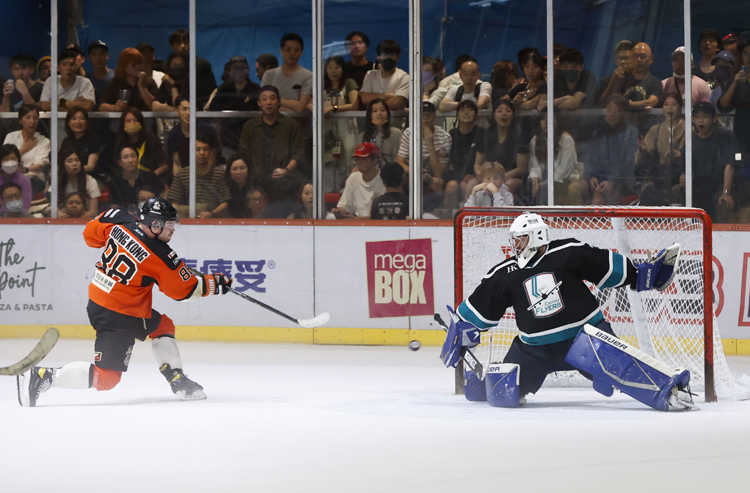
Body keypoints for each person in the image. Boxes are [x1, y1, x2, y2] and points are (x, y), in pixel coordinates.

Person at [442, 212, 693, 411]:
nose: (516, 244)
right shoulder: (505, 273)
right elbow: (477, 312)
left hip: (586, 339)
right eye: (514, 239)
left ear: (537, 237)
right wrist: (459, 329)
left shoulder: (567, 252)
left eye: (521, 239)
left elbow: (606, 267)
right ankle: (488, 379)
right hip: (534, 350)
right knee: (500, 393)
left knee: (624, 369)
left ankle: (670, 390)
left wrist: (642, 276)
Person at [16, 197, 233, 407]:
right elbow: (184, 291)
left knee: (162, 326)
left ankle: (177, 378)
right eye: (169, 225)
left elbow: (90, 236)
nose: (173, 229)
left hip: (105, 301)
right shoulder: (161, 255)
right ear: (155, 225)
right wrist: (214, 284)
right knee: (106, 378)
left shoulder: (120, 218)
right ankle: (42, 376)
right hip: (117, 314)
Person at [674, 102, 737, 221]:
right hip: (697, 187)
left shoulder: (724, 136)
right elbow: (684, 167)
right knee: (674, 192)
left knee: (724, 203)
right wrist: (683, 177)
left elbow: (729, 166)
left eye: (705, 116)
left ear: (714, 118)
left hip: (718, 187)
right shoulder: (692, 140)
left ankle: (719, 233)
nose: (700, 120)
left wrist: (726, 192)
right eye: (697, 117)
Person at [239, 86, 305, 187]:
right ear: (259, 103)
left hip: (285, 179)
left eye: (273, 98)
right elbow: (243, 152)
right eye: (264, 99)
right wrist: (252, 171)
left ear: (279, 101)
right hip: (256, 179)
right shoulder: (250, 125)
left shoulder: (291, 124)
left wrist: (286, 170)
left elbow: (299, 152)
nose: (269, 102)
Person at [396, 101, 452, 213]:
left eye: (429, 115)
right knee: (401, 177)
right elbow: (400, 162)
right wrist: (416, 173)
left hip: (433, 176)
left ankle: (435, 213)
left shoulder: (445, 137)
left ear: (435, 117)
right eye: (422, 115)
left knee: (437, 182)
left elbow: (438, 173)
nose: (425, 118)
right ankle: (404, 211)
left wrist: (430, 144)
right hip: (413, 174)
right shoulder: (409, 133)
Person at [586, 95, 639, 205]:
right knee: (575, 188)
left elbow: (628, 163)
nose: (612, 113)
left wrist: (612, 181)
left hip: (622, 182)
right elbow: (590, 157)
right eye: (609, 109)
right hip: (598, 178)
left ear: (625, 114)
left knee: (599, 194)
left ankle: (594, 217)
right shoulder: (598, 132)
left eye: (617, 110)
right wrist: (591, 176)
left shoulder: (631, 133)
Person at [635, 92, 685, 206]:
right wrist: (643, 150)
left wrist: (676, 154)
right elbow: (642, 159)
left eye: (674, 105)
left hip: (678, 178)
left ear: (681, 109)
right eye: (666, 104)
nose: (669, 108)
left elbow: (690, 156)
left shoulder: (687, 129)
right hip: (658, 178)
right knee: (649, 191)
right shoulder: (655, 130)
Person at [318, 55, 360, 192]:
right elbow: (311, 103)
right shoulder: (322, 85)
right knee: (327, 161)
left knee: (348, 158)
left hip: (346, 129)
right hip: (327, 131)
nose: (333, 71)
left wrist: (333, 108)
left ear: (343, 68)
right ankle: (329, 192)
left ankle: (349, 190)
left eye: (337, 67)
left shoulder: (349, 83)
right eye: (330, 67)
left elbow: (354, 105)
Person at [528, 107, 587, 205]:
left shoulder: (566, 139)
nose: (546, 122)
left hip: (563, 180)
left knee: (545, 190)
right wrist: (535, 180)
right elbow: (534, 164)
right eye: (543, 119)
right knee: (529, 187)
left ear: (557, 120)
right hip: (542, 179)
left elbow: (565, 169)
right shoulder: (535, 140)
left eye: (550, 118)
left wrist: (546, 183)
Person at [168, 133, 231, 218]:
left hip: (214, 219)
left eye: (205, 149)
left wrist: (211, 213)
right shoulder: (182, 175)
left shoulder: (219, 174)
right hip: (187, 220)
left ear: (210, 152)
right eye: (197, 149)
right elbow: (174, 202)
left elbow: (226, 202)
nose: (201, 153)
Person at [475, 99, 529, 195]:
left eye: (508, 111)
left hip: (511, 177)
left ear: (513, 115)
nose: (504, 113)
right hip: (489, 176)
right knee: (471, 184)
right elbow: (477, 163)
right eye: (499, 111)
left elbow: (521, 169)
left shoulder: (520, 135)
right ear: (494, 116)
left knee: (508, 184)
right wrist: (481, 175)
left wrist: (499, 178)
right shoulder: (485, 135)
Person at [208, 55, 261, 153]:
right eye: (235, 68)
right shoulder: (225, 87)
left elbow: (256, 108)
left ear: (247, 70)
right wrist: (240, 104)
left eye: (242, 68)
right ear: (230, 71)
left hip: (251, 139)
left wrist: (229, 106)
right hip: (229, 139)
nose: (239, 71)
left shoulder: (255, 88)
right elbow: (213, 107)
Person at [444, 100, 486, 210]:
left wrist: (474, 174)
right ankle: (448, 216)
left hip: (474, 174)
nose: (466, 112)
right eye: (462, 110)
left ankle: (468, 216)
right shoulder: (452, 134)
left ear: (476, 115)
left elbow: (482, 160)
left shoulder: (481, 132)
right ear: (457, 114)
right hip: (455, 174)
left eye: (470, 109)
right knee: (451, 187)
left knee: (467, 185)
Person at [332, 142, 386, 219]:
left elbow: (384, 213)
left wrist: (356, 220)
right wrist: (338, 212)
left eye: (364, 159)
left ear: (374, 160)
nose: (359, 163)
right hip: (357, 223)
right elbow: (345, 206)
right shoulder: (353, 178)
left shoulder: (384, 178)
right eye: (357, 159)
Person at [261, 33, 313, 112]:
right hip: (273, 119)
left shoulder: (309, 76)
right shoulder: (269, 75)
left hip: (298, 120)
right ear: (281, 51)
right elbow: (264, 104)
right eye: (288, 49)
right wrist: (293, 106)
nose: (292, 53)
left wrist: (275, 101)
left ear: (301, 52)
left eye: (296, 50)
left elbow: (300, 107)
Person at [167, 95, 218, 175]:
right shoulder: (174, 133)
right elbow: (177, 163)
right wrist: (180, 180)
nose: (188, 113)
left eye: (191, 109)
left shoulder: (207, 130)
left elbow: (212, 160)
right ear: (177, 111)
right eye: (184, 109)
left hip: (208, 173)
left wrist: (199, 179)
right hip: (185, 173)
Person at [108, 144, 166, 211]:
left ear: (137, 158)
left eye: (133, 156)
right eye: (125, 157)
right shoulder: (115, 181)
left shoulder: (149, 176)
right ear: (120, 162)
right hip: (125, 215)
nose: (130, 160)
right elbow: (114, 206)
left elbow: (165, 189)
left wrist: (162, 205)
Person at [168, 29, 217, 108]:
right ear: (172, 46)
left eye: (186, 42)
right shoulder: (168, 67)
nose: (183, 46)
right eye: (179, 43)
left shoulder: (200, 64)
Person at [717, 39, 750, 156]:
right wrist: (734, 84)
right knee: (740, 161)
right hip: (742, 133)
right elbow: (722, 106)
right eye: (746, 54)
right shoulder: (737, 79)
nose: (749, 58)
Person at [116, 107, 170, 178]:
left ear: (140, 122)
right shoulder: (120, 142)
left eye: (135, 120)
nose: (132, 123)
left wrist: (151, 177)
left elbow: (164, 165)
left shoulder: (151, 139)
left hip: (151, 178)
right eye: (128, 121)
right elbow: (118, 167)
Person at [100, 48, 158, 112]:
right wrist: (114, 107)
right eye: (134, 64)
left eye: (139, 63)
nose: (138, 66)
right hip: (121, 118)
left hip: (145, 118)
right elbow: (101, 106)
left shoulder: (149, 81)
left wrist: (141, 87)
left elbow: (155, 107)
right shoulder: (114, 83)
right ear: (124, 66)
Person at [360, 40, 409, 110]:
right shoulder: (370, 75)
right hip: (372, 117)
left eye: (392, 55)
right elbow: (365, 98)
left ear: (398, 58)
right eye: (384, 55)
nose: (388, 58)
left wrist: (373, 102)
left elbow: (395, 103)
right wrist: (388, 95)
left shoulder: (404, 77)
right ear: (378, 57)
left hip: (395, 117)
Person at [3, 104, 50, 177]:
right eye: (28, 117)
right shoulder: (11, 137)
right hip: (11, 178)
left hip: (34, 179)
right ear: (20, 120)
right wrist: (23, 150)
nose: (32, 121)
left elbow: (39, 165)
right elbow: (5, 159)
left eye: (35, 118)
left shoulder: (44, 141)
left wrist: (25, 169)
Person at [61, 107, 106, 179]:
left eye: (82, 118)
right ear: (69, 123)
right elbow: (59, 162)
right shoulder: (67, 141)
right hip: (69, 178)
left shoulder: (94, 140)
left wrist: (70, 169)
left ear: (86, 122)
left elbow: (90, 167)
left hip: (90, 178)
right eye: (74, 119)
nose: (78, 122)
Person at [57, 145, 100, 217]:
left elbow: (93, 211)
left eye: (77, 160)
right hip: (63, 217)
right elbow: (52, 204)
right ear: (63, 165)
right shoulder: (57, 181)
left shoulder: (90, 181)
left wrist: (86, 215)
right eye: (69, 161)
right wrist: (59, 214)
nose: (74, 164)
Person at [359, 98, 403, 166]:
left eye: (382, 110)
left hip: (390, 171)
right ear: (370, 115)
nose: (379, 113)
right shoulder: (363, 136)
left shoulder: (396, 133)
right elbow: (358, 161)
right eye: (375, 111)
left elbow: (399, 160)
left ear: (388, 113)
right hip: (370, 171)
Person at [224, 153, 261, 218]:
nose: (239, 172)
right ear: (229, 171)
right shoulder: (225, 187)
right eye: (234, 169)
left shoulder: (256, 186)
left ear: (248, 169)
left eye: (242, 168)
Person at [0, 144, 32, 211]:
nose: (10, 163)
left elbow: (26, 205)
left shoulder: (24, 180)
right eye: (6, 159)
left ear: (18, 160)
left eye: (13, 159)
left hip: (20, 215)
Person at [85, 40, 114, 106]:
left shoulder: (116, 77)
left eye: (102, 54)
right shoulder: (86, 80)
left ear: (107, 56)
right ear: (89, 58)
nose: (98, 58)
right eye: (94, 55)